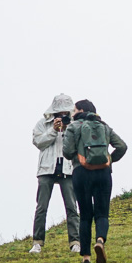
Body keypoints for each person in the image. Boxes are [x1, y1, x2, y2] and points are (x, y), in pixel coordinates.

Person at [62, 99, 128, 263]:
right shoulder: (104, 126)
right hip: (103, 173)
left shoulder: (73, 126)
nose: (72, 113)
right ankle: (100, 240)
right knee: (102, 213)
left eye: (74, 110)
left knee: (85, 215)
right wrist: (109, 160)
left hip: (81, 173)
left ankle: (86, 258)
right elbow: (122, 146)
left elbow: (68, 153)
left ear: (81, 110)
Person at [30, 94, 81, 254]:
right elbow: (39, 143)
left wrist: (66, 131)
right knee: (41, 207)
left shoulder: (74, 125)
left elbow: (77, 144)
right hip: (47, 169)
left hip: (68, 168)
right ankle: (37, 242)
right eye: (60, 114)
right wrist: (53, 130)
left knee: (72, 207)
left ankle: (75, 242)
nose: (63, 116)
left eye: (66, 113)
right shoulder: (43, 124)